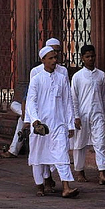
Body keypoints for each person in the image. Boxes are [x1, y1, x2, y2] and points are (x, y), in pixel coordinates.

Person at [25, 46, 79, 198]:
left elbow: (68, 102)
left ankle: (66, 187)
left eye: (55, 57)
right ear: (43, 60)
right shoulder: (36, 79)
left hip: (58, 124)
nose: (55, 60)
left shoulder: (62, 79)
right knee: (38, 155)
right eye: (51, 58)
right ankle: (40, 185)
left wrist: (69, 124)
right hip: (41, 126)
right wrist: (35, 121)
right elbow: (31, 102)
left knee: (62, 154)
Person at [71, 44, 105, 184]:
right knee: (80, 143)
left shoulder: (101, 75)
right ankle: (80, 171)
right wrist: (76, 116)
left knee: (100, 142)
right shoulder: (77, 77)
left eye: (92, 56)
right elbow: (74, 98)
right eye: (87, 56)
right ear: (82, 58)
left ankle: (102, 173)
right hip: (82, 115)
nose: (90, 59)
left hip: (98, 113)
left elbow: (104, 96)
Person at [0, 82, 29, 158]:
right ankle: (28, 117)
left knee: (20, 121)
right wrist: (24, 114)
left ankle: (13, 151)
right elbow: (25, 101)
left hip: (41, 113)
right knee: (14, 104)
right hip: (30, 111)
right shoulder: (33, 83)